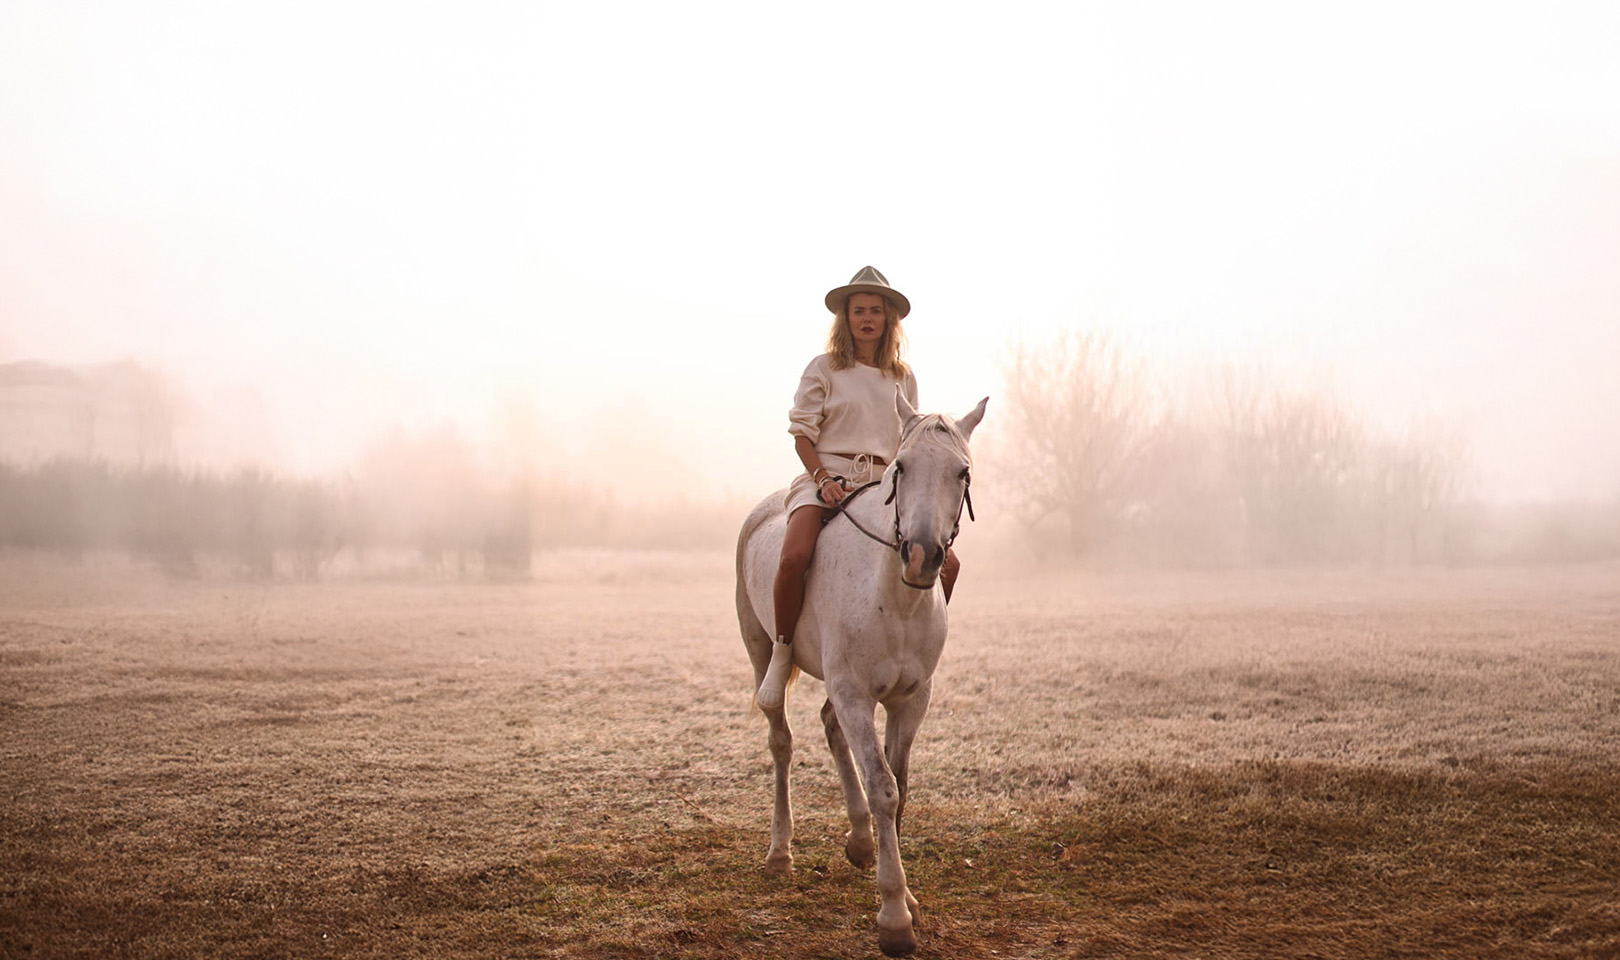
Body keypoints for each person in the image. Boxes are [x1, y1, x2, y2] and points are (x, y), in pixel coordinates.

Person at [757, 266, 961, 710]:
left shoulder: (902, 376)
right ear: (845, 318)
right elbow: (802, 434)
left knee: (949, 564)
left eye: (875, 311)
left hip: (883, 486)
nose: (866, 319)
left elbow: (911, 436)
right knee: (793, 556)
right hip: (827, 478)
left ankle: (911, 650)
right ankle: (783, 650)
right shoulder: (824, 369)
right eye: (858, 311)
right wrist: (822, 479)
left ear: (888, 320)